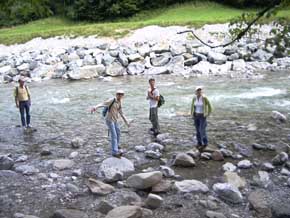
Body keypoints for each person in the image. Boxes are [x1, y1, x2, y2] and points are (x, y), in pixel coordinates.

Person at [91, 90, 129, 158]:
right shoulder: (112, 100)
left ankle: (116, 145)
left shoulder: (119, 102)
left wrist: (126, 122)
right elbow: (102, 104)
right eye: (119, 94)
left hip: (115, 120)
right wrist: (95, 107)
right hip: (109, 120)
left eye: (121, 94)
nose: (120, 95)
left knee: (118, 132)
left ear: (123, 95)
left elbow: (121, 113)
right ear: (116, 94)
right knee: (114, 135)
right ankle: (114, 152)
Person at [191, 86, 212, 151]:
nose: (199, 91)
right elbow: (192, 106)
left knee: (201, 130)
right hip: (196, 116)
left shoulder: (204, 98)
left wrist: (208, 113)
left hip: (202, 116)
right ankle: (199, 143)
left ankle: (205, 143)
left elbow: (210, 106)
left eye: (200, 90)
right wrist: (192, 114)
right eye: (198, 90)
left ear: (201, 91)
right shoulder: (194, 98)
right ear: (195, 92)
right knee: (197, 130)